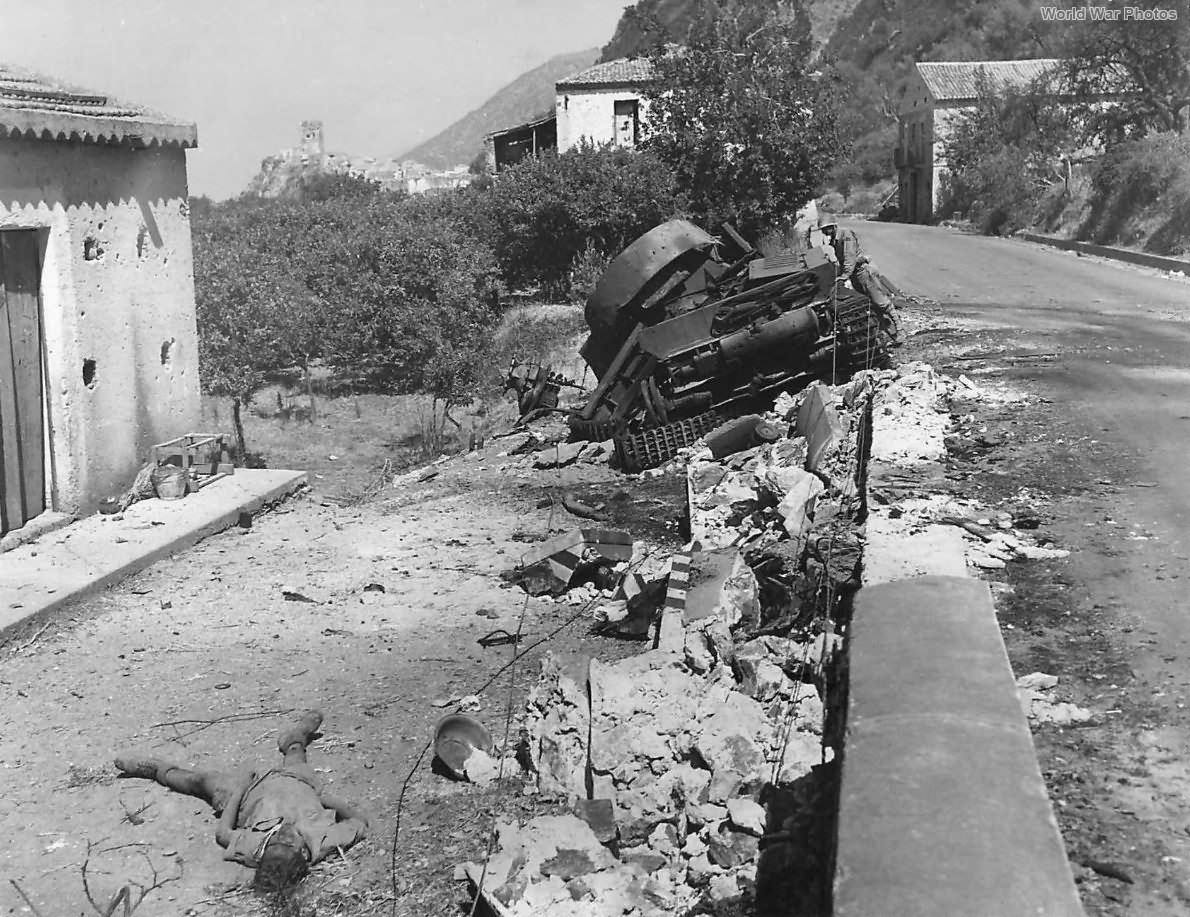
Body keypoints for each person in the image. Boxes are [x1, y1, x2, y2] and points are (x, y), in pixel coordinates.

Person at [114, 710, 368, 891]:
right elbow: (360, 822)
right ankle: (296, 735)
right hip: (299, 782)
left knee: (200, 781)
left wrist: (239, 792)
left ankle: (158, 770)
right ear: (303, 851)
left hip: (247, 795)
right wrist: (325, 799)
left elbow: (224, 832)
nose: (280, 835)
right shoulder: (326, 841)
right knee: (296, 754)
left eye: (275, 842)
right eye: (285, 841)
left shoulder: (255, 848)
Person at [818, 217, 901, 343]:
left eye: (827, 229)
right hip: (855, 274)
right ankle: (885, 333)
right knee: (871, 304)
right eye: (823, 230)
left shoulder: (846, 235)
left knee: (881, 303)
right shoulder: (835, 240)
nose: (825, 233)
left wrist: (844, 276)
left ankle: (900, 330)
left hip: (863, 271)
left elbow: (849, 257)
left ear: (834, 227)